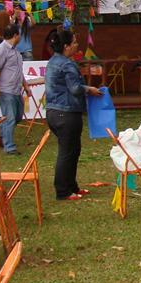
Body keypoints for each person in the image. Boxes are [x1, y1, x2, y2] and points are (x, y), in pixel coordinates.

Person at [44, 28, 102, 201]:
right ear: (66, 46)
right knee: (67, 152)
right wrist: (90, 89)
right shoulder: (67, 64)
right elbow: (75, 89)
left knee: (73, 150)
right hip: (66, 113)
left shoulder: (53, 61)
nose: (77, 45)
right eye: (75, 42)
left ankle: (72, 187)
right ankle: (63, 191)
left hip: (53, 113)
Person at [0, 23, 24, 156]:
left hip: (16, 90)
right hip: (5, 90)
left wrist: (25, 86)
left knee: (18, 116)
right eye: (19, 34)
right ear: (15, 35)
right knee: (10, 118)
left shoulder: (15, 51)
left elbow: (19, 71)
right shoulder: (0, 49)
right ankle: (9, 147)